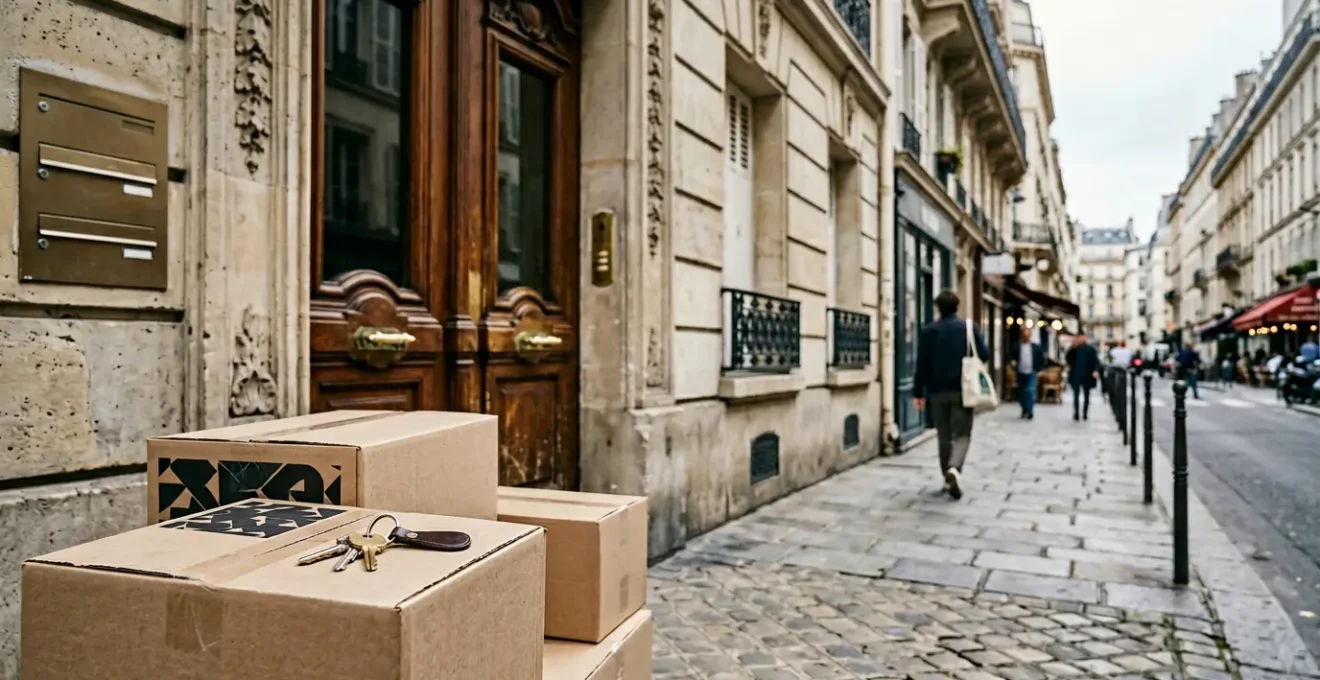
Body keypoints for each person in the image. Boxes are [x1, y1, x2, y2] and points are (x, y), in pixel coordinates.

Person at [913, 290, 990, 500]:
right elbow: (985, 354)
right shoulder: (968, 328)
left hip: (937, 391)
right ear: (957, 306)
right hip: (963, 390)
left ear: (938, 307)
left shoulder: (929, 330)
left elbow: (922, 363)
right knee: (963, 433)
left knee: (944, 435)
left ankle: (946, 476)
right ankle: (954, 468)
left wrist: (918, 392)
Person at [1065, 334, 1101, 421]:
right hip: (1075, 375)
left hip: (1087, 375)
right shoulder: (1074, 349)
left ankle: (1085, 413)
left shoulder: (1090, 349)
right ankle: (1076, 413)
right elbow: (1068, 358)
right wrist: (1072, 347)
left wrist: (1095, 370)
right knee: (1076, 395)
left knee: (1087, 395)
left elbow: (1096, 361)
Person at [1015, 326, 1046, 420]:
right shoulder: (1017, 346)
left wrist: (1040, 369)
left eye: (1027, 335)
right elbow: (1011, 356)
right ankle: (1024, 409)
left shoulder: (1035, 347)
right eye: (1024, 335)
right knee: (1021, 392)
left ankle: (1030, 410)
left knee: (1029, 390)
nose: (1026, 337)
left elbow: (1042, 359)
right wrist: (1012, 362)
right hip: (1020, 372)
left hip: (1031, 372)